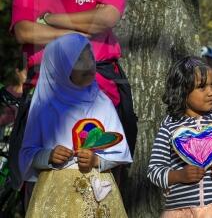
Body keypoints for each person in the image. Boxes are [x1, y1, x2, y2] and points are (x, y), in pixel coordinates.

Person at [9, 0, 137, 189]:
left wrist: (51, 19)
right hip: (46, 86)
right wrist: (81, 30)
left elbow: (106, 19)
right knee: (37, 171)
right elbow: (25, 32)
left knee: (110, 164)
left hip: (100, 84)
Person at [19, 34, 132, 217]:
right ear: (60, 65)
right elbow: (27, 154)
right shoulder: (44, 107)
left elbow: (119, 149)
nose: (88, 63)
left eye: (89, 55)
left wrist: (97, 160)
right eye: (79, 58)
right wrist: (48, 155)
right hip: (55, 196)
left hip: (98, 197)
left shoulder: (101, 103)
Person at [147, 56, 212, 218]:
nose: (211, 92)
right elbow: (154, 170)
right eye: (202, 87)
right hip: (181, 212)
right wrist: (179, 175)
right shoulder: (169, 127)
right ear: (183, 91)